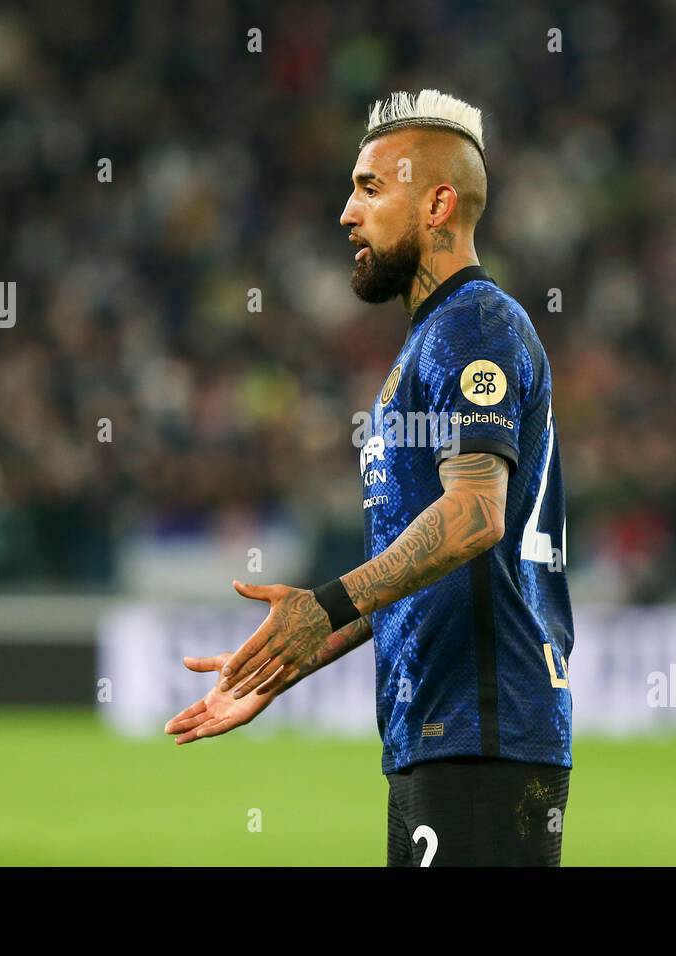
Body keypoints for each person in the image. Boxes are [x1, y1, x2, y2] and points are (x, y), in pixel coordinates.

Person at [165, 90, 574, 866]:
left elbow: (477, 515)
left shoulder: (474, 325)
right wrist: (291, 659)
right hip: (439, 735)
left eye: (370, 188)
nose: (347, 214)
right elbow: (428, 567)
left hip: (484, 733)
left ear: (438, 204)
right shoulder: (427, 344)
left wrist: (324, 606)